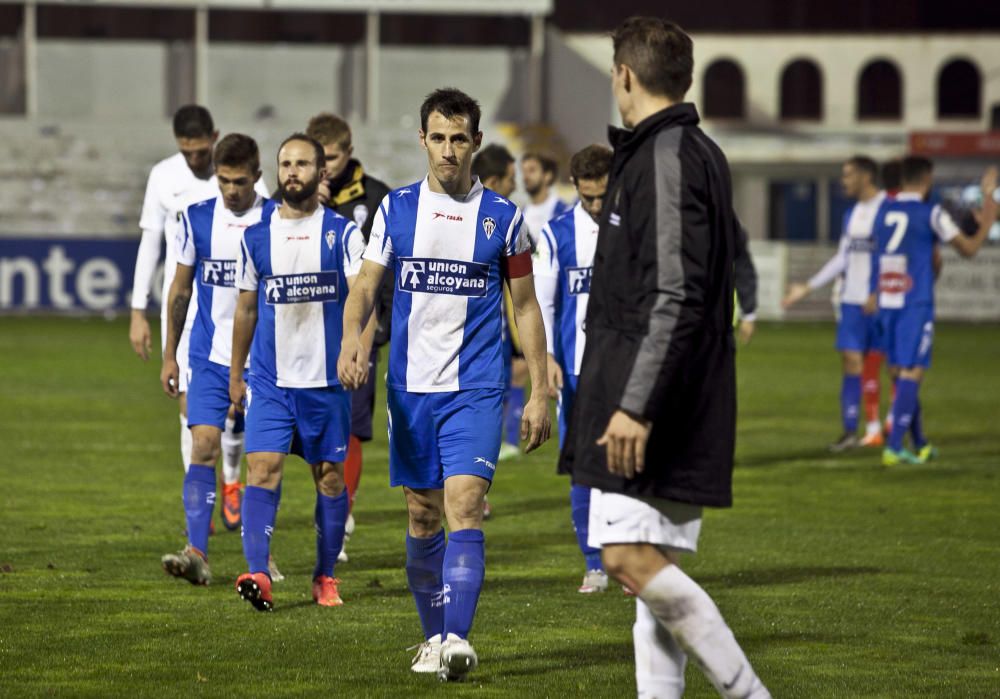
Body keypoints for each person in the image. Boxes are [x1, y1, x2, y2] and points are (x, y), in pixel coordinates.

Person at [559, 18, 769, 698]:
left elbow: (675, 294)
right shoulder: (676, 149)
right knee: (648, 583)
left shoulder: (668, 154)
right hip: (671, 393)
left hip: (653, 404)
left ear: (623, 75)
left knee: (624, 558)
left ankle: (749, 691)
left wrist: (634, 405)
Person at [337, 88, 551, 681]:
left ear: (476, 142)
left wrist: (538, 389)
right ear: (423, 140)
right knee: (422, 515)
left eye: (460, 138)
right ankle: (433, 638)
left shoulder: (506, 220)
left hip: (477, 388)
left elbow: (526, 308)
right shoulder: (397, 210)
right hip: (410, 388)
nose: (449, 149)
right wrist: (352, 338)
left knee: (464, 505)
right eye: (439, 137)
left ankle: (457, 637)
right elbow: (365, 287)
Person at [230, 134, 370, 611]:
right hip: (270, 382)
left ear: (320, 173)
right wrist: (236, 373)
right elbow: (245, 309)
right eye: (285, 163)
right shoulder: (255, 237)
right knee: (262, 469)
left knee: (330, 479)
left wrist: (357, 350)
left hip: (326, 384)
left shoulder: (344, 233)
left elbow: (362, 298)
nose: (292, 171)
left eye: (303, 164)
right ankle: (257, 572)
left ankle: (324, 576)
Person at [129, 105, 266, 532]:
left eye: (198, 150)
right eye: (184, 152)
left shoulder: (244, 180)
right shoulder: (163, 177)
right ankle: (200, 513)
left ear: (214, 138)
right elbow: (151, 242)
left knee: (234, 418)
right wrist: (138, 311)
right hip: (192, 314)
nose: (192, 160)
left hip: (245, 317)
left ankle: (229, 479)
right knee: (194, 416)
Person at [158, 134, 276, 584]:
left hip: (263, 360)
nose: (230, 190)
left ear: (257, 178)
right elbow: (181, 288)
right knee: (203, 446)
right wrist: (170, 354)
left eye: (240, 182)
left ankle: (260, 559)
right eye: (223, 180)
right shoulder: (196, 219)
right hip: (207, 355)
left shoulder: (275, 221)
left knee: (262, 463)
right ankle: (196, 552)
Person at [304, 112, 392, 560]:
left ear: (348, 150)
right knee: (314, 426)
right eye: (319, 157)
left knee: (353, 422)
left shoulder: (376, 198)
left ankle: (343, 510)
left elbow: (389, 267)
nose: (325, 166)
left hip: (358, 327)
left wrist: (379, 328)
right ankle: (329, 503)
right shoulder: (296, 197)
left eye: (333, 157)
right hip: (306, 329)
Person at [870, 158, 997, 466]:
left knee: (900, 372)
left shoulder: (882, 211)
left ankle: (921, 443)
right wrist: (988, 218)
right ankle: (895, 446)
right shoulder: (932, 213)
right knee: (914, 371)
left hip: (887, 301)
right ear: (927, 179)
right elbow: (968, 250)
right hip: (915, 303)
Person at [534, 144, 612, 594]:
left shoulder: (636, 228)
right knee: (584, 467)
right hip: (577, 370)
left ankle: (628, 559)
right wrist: (545, 358)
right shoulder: (555, 235)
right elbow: (542, 302)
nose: (597, 206)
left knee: (627, 464)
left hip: (624, 369)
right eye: (589, 198)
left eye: (603, 196)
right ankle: (594, 563)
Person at [783, 156, 888, 451]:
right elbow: (843, 256)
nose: (844, 181)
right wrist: (809, 286)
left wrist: (878, 290)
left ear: (866, 176)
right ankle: (851, 431)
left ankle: (894, 427)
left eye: (849, 175)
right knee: (851, 362)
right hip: (852, 301)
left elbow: (893, 255)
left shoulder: (887, 208)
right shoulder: (852, 213)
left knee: (892, 367)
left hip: (879, 302)